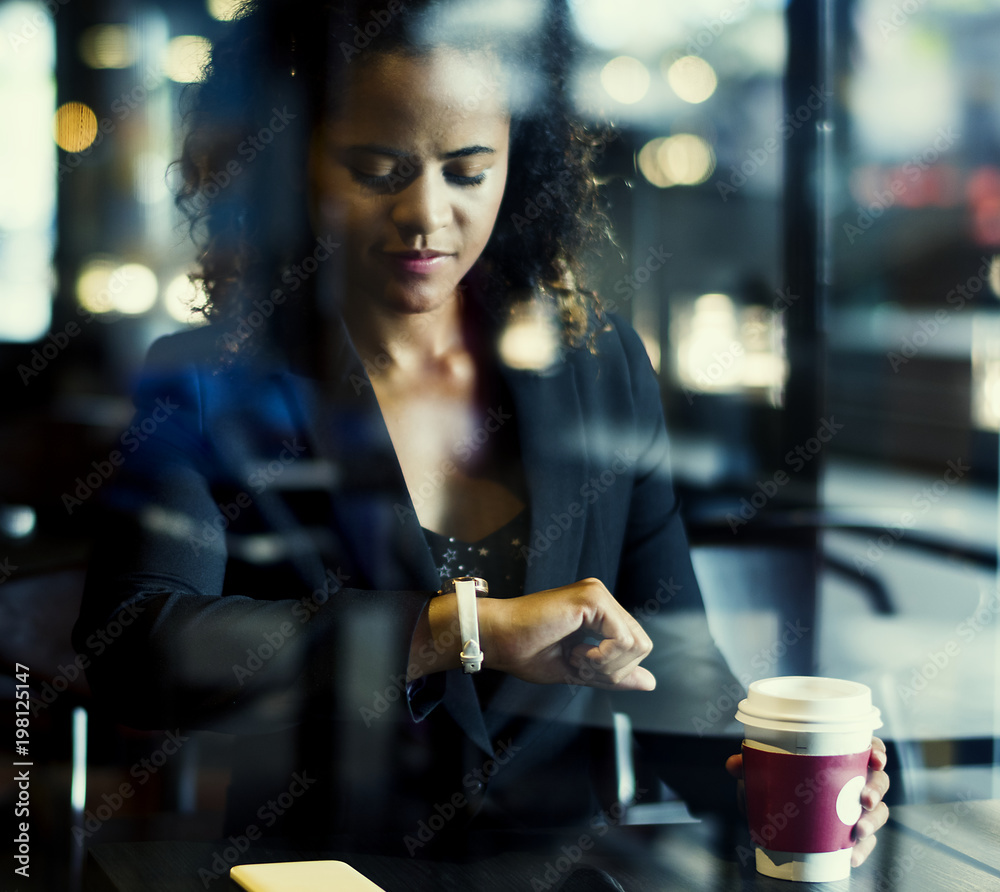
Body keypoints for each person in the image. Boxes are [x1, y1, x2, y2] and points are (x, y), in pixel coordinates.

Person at [73, 0, 889, 864]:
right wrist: (462, 629)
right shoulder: (208, 383)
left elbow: (668, 669)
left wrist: (785, 779)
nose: (426, 216)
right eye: (377, 169)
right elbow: (139, 646)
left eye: (467, 171)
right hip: (309, 876)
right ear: (289, 164)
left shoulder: (597, 365)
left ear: (519, 167)